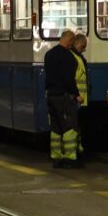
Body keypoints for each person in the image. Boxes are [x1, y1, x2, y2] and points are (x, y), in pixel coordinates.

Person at [43, 29, 81, 168]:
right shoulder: (68, 57)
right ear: (70, 41)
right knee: (69, 128)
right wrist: (77, 94)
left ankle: (56, 157)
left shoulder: (49, 54)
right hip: (63, 97)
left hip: (51, 96)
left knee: (55, 129)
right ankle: (70, 159)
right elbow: (69, 80)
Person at [71, 33, 89, 162]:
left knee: (78, 126)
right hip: (74, 99)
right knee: (73, 126)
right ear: (77, 43)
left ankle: (77, 149)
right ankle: (73, 152)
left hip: (79, 99)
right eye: (83, 46)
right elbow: (70, 79)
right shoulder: (73, 58)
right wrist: (76, 95)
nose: (84, 49)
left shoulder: (78, 57)